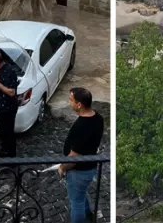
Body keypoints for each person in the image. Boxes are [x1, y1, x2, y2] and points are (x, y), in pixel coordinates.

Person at [58, 87, 104, 223]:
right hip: (90, 165)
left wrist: (62, 168)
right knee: (81, 193)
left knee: (75, 202)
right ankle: (88, 213)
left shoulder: (81, 126)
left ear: (79, 104)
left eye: (71, 100)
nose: (69, 102)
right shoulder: (97, 117)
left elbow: (74, 158)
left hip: (79, 170)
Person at [0, 51, 19, 157]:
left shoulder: (9, 72)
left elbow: (12, 92)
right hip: (0, 107)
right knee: (3, 131)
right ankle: (4, 149)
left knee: (8, 132)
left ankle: (11, 156)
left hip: (8, 108)